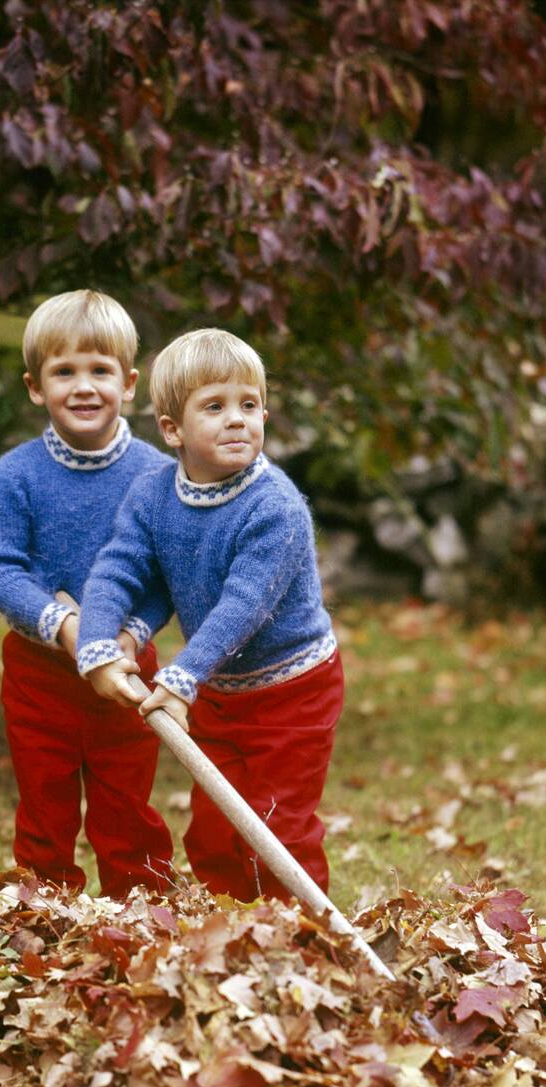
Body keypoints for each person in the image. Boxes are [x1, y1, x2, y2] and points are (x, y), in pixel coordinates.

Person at [75, 328, 342, 903]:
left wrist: (179, 678)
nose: (237, 420)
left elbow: (241, 607)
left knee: (277, 824)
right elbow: (118, 570)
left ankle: (303, 937)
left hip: (293, 689)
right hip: (220, 689)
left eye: (249, 405)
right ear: (172, 429)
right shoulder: (152, 497)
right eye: (215, 407)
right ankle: (230, 933)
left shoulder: (275, 506)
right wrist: (96, 644)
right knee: (218, 830)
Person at [0, 289, 174, 895]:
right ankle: (44, 915)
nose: (83, 386)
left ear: (130, 383)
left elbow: (165, 577)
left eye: (100, 371)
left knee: (126, 806)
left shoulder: (155, 475)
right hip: (41, 673)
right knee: (45, 805)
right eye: (65, 372)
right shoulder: (17, 474)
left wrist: (126, 636)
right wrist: (63, 626)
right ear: (36, 386)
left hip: (127, 671)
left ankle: (139, 916)